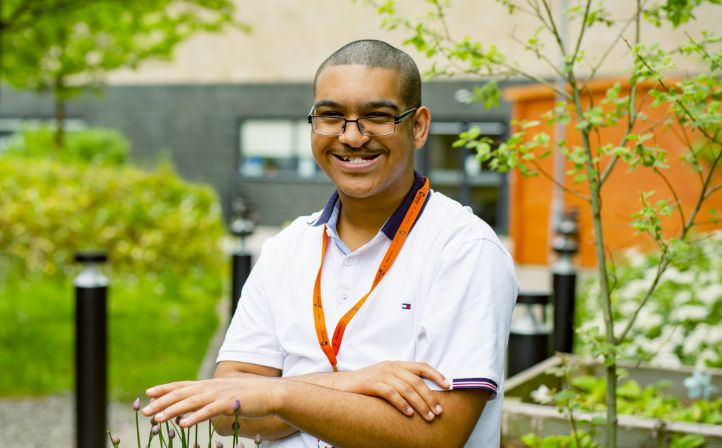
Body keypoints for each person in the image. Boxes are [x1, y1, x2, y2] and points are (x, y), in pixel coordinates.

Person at [142, 39, 518, 447]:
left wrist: (280, 393)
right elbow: (231, 414)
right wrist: (354, 383)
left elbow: (434, 436)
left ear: (419, 126)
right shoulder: (286, 249)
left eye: (377, 116)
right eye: (331, 116)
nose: (352, 137)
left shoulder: (463, 250)